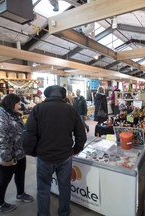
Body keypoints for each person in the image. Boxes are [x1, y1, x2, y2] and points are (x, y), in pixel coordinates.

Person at [22, 85, 87, 216]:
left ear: (47, 95)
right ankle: (64, 212)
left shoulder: (38, 109)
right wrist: (76, 149)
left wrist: (31, 151)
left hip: (44, 156)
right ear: (62, 96)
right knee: (65, 187)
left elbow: (29, 134)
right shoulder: (70, 110)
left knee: (43, 188)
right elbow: (81, 134)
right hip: (65, 156)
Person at [0, 94, 34, 213]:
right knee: (4, 179)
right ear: (11, 103)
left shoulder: (13, 114)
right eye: (18, 103)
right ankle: (0, 204)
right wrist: (6, 158)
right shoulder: (0, 117)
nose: (20, 105)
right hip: (6, 155)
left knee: (20, 174)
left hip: (19, 152)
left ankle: (20, 194)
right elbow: (0, 140)